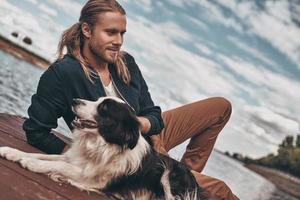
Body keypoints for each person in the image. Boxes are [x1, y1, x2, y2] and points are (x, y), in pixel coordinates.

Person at [23, 0, 238, 199]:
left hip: (148, 136)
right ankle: (177, 184)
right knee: (221, 191)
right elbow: (36, 131)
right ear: (87, 30)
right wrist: (80, 158)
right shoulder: (63, 73)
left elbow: (154, 114)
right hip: (125, 153)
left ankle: (181, 180)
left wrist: (141, 123)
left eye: (122, 34)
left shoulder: (126, 63)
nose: (118, 41)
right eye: (111, 32)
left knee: (221, 107)